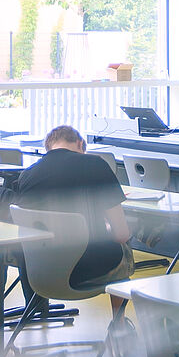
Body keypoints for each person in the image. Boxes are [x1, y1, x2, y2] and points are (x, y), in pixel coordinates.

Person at [15, 125, 132, 300]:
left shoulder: (27, 175)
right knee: (123, 246)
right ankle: (119, 323)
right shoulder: (95, 164)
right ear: (80, 144)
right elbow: (121, 234)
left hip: (40, 271)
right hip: (89, 269)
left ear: (49, 146)